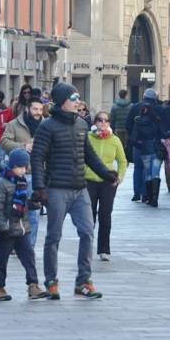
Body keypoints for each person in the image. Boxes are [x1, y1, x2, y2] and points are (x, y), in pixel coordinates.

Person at [31, 82, 116, 300]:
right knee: (54, 236)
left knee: (87, 231)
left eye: (78, 97)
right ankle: (51, 281)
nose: (78, 101)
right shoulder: (47, 127)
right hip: (57, 188)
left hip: (80, 189)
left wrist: (107, 174)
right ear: (62, 102)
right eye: (73, 98)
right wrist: (40, 188)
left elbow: (88, 155)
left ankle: (83, 281)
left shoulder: (81, 125)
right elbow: (37, 157)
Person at [0, 148, 49, 301]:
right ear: (12, 166)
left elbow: (22, 205)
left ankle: (33, 286)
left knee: (29, 257)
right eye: (20, 167)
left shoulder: (22, 182)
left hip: (23, 229)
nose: (23, 170)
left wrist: (33, 203)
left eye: (25, 167)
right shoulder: (1, 184)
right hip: (8, 230)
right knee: (2, 259)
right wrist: (2, 227)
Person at [1, 89, 44, 246]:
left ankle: (29, 246)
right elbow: (4, 142)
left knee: (33, 213)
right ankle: (14, 242)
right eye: (35, 109)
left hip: (37, 174)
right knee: (14, 210)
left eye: (40, 109)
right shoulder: (14, 124)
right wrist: (22, 146)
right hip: (18, 175)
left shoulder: (46, 126)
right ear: (27, 109)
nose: (38, 112)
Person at [85, 111, 127, 261]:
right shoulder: (88, 138)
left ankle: (104, 249)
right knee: (89, 216)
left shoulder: (115, 140)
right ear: (95, 122)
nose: (103, 123)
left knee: (105, 214)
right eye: (99, 120)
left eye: (106, 120)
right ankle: (87, 247)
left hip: (108, 182)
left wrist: (120, 176)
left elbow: (123, 161)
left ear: (109, 123)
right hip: (89, 180)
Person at [125, 87, 160, 202]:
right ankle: (145, 193)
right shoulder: (156, 108)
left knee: (137, 167)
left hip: (137, 143)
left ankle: (136, 193)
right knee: (147, 169)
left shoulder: (135, 107)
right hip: (151, 144)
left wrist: (133, 136)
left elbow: (127, 124)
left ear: (144, 96)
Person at [129, 101, 164, 207]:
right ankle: (154, 199)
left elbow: (133, 138)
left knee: (147, 174)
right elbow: (163, 134)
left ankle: (146, 196)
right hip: (156, 150)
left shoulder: (138, 122)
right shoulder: (156, 121)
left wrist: (140, 145)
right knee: (156, 174)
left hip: (145, 151)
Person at [109, 90, 133, 159]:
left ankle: (120, 158)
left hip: (118, 128)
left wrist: (112, 129)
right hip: (127, 128)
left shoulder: (114, 106)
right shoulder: (131, 106)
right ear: (126, 95)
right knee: (127, 144)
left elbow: (112, 119)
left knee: (119, 144)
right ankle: (127, 158)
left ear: (119, 95)